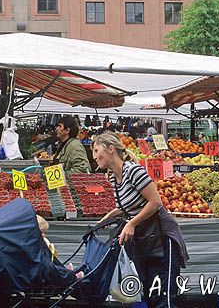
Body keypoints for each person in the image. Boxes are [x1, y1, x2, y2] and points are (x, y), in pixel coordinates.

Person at [92, 132, 188, 308]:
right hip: (144, 240)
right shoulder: (114, 177)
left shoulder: (133, 171)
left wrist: (131, 223)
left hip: (161, 237)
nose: (94, 156)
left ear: (111, 149)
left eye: (97, 150)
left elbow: (155, 202)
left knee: (164, 297)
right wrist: (106, 218)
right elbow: (126, 206)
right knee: (151, 293)